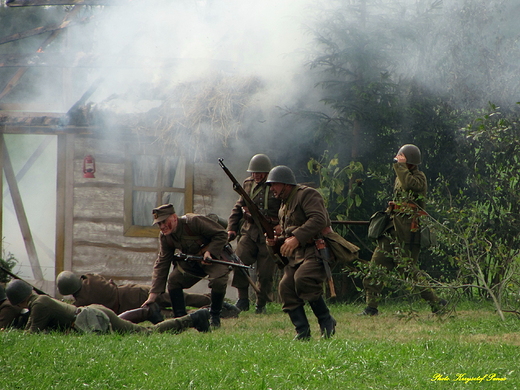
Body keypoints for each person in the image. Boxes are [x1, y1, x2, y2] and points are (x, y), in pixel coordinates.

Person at [360, 144, 446, 316]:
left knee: (409, 271)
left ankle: (436, 303)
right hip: (392, 229)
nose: (398, 161)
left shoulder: (418, 177)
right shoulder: (401, 175)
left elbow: (409, 185)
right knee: (376, 266)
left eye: (402, 159)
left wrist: (400, 166)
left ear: (410, 162)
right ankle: (371, 307)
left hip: (409, 233)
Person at [265, 165, 336, 340]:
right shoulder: (283, 206)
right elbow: (287, 232)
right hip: (297, 254)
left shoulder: (307, 194)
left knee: (303, 278)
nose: (272, 189)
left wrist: (296, 237)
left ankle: (326, 320)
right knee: (286, 287)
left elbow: (319, 219)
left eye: (274, 185)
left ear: (286, 184)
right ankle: (302, 331)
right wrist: (275, 240)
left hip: (316, 249)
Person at [5, 279, 210, 334]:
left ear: (18, 301)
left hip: (92, 319)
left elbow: (33, 333)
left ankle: (193, 319)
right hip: (94, 312)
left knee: (147, 333)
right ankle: (194, 317)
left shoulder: (39, 304)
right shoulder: (40, 301)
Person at [142, 204, 230, 328]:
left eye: (164, 222)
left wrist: (210, 252)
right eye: (159, 224)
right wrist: (153, 294)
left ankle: (214, 317)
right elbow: (162, 262)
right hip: (192, 262)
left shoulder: (193, 222)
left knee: (219, 279)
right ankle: (181, 319)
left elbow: (221, 234)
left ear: (174, 217)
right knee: (174, 281)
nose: (162, 227)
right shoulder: (166, 237)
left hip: (213, 258)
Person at [56, 271, 239, 324]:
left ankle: (205, 313)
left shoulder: (80, 302)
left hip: (131, 310)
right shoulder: (91, 278)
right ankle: (214, 302)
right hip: (135, 292)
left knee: (172, 316)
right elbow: (110, 283)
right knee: (181, 297)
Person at [226, 154, 281, 314]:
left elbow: (285, 208)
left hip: (268, 232)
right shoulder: (248, 185)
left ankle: (261, 303)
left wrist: (279, 225)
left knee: (265, 272)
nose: (256, 175)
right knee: (239, 262)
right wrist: (232, 227)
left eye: (260, 173)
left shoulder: (275, 185)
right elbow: (238, 206)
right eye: (254, 172)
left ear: (266, 173)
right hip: (249, 231)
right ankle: (242, 299)